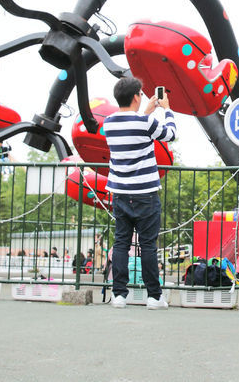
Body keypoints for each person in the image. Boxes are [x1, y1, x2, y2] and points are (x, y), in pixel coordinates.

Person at [104, 75, 175, 309]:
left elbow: (134, 127)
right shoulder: (145, 123)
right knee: (148, 245)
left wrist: (146, 111)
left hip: (120, 193)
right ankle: (154, 297)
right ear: (136, 96)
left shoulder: (109, 123)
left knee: (122, 243)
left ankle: (119, 295)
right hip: (145, 193)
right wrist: (166, 110)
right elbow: (170, 134)